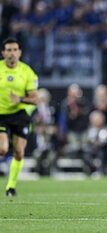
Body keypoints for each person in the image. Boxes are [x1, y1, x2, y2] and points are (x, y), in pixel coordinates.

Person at [0, 38, 39, 196]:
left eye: (15, 50)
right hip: (1, 114)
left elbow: (34, 99)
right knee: (2, 148)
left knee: (19, 153)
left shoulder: (27, 72)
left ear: (20, 53)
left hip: (19, 114)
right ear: (3, 53)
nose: (12, 53)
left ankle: (10, 187)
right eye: (8, 50)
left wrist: (20, 99)